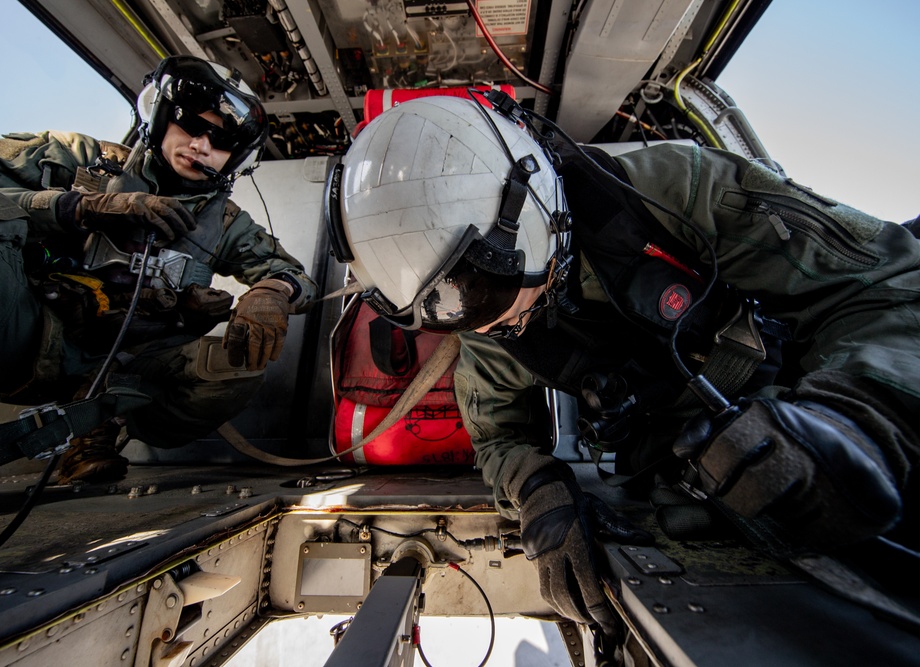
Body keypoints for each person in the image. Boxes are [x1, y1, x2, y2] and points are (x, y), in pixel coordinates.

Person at [325, 94, 919, 637]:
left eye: (479, 292)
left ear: (528, 211)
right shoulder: (492, 331)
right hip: (680, 469)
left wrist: (856, 413)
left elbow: (890, 281)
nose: (478, 327)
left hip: (806, 412)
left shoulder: (681, 194)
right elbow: (496, 434)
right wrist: (538, 492)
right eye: (445, 317)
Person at [0, 55, 317, 494]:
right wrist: (75, 208)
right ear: (163, 118)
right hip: (27, 334)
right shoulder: (72, 159)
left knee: (236, 366)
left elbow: (291, 274)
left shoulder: (223, 222)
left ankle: (98, 425)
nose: (202, 146)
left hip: (127, 367)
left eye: (220, 141)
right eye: (190, 125)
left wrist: (271, 293)